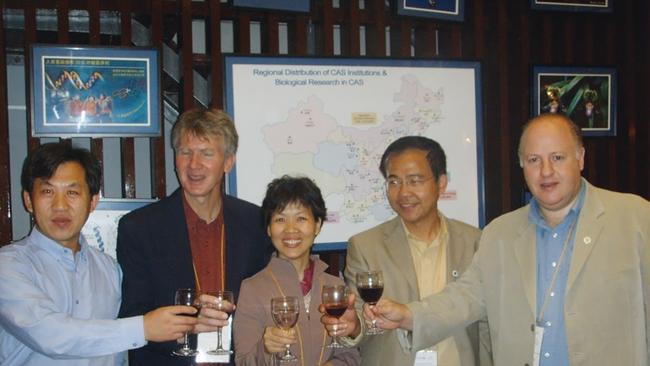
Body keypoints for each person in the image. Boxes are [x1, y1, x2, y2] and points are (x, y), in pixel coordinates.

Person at [368, 114, 650, 366]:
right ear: (522, 165)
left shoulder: (635, 218)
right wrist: (408, 315)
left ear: (581, 157)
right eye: (533, 160)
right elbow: (464, 297)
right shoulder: (500, 234)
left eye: (558, 157)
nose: (546, 171)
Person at [0, 142, 198, 366]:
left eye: (72, 192)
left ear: (93, 201)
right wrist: (143, 328)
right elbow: (51, 335)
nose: (60, 206)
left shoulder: (109, 268)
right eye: (47, 191)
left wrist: (188, 323)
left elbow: (118, 353)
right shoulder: (9, 266)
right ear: (28, 200)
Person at [117, 107, 273, 365]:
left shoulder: (255, 224)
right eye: (185, 152)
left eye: (206, 153)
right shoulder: (139, 228)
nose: (194, 165)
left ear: (229, 161)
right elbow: (133, 316)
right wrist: (185, 326)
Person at [320, 136, 492, 366]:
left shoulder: (475, 243)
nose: (403, 193)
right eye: (394, 182)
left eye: (415, 180)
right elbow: (362, 316)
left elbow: (486, 326)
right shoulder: (365, 246)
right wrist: (353, 326)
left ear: (441, 183)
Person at [234, 175, 360, 365]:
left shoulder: (335, 286)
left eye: (301, 218)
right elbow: (243, 362)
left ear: (317, 225)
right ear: (268, 228)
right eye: (280, 219)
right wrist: (266, 349)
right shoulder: (252, 289)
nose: (290, 229)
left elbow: (351, 356)